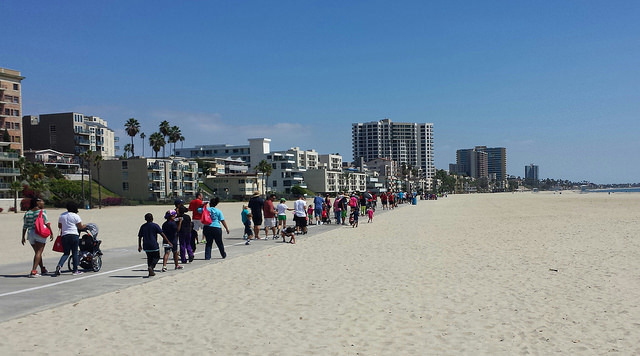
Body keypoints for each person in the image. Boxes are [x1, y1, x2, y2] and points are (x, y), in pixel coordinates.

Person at [21, 197, 53, 278]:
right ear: (37, 203)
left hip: (30, 233)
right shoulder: (42, 211)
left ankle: (42, 268)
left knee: (37, 253)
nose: (43, 203)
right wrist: (51, 232)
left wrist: (23, 237)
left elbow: (25, 226)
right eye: (41, 201)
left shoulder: (27, 212)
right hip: (39, 232)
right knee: (39, 252)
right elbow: (46, 223)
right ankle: (34, 271)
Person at [55, 201, 87, 276]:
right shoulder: (76, 216)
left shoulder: (62, 215)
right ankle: (75, 270)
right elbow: (80, 227)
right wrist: (85, 226)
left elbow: (59, 226)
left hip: (65, 235)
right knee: (75, 252)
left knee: (66, 253)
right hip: (74, 235)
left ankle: (59, 265)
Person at [138, 213, 171, 277]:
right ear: (152, 218)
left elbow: (139, 236)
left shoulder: (143, 226)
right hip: (153, 244)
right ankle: (151, 267)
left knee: (149, 258)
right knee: (157, 257)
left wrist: (139, 245)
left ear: (145, 219)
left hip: (146, 245)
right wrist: (168, 241)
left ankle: (150, 271)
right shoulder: (155, 225)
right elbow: (162, 234)